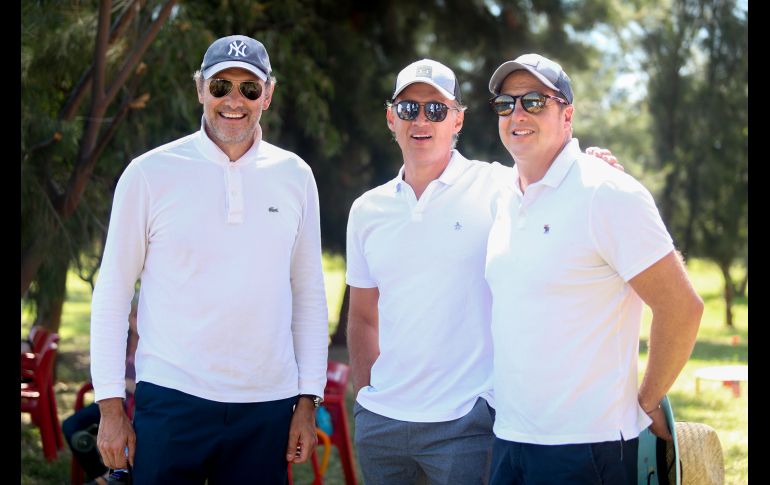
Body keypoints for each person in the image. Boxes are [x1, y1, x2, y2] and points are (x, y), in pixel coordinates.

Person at [345, 58, 621, 485]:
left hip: (466, 424)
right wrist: (367, 399)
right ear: (391, 118)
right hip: (382, 424)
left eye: (436, 110)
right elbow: (363, 315)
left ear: (457, 120)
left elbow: (556, 180)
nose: (422, 120)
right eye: (409, 109)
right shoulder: (367, 210)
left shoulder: (499, 186)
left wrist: (593, 163)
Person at [89, 35, 328, 483]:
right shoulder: (148, 174)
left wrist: (306, 400)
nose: (233, 100)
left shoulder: (296, 176)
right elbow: (113, 294)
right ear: (200, 88)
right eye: (220, 86)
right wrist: (109, 406)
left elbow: (309, 294)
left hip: (267, 405)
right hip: (172, 397)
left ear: (268, 95)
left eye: (249, 89)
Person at [483, 53, 704, 484]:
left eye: (534, 101)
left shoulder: (608, 192)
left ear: (567, 115)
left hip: (587, 450)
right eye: (506, 104)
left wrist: (646, 401)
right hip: (510, 440)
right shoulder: (502, 196)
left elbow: (683, 308)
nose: (517, 113)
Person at [64, 304, 139, 485]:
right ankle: (100, 475)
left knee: (132, 438)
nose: (138, 320)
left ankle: (113, 478)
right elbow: (96, 373)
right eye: (135, 315)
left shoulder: (154, 344)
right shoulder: (120, 338)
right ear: (129, 317)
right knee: (71, 426)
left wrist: (132, 386)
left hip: (137, 408)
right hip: (111, 402)